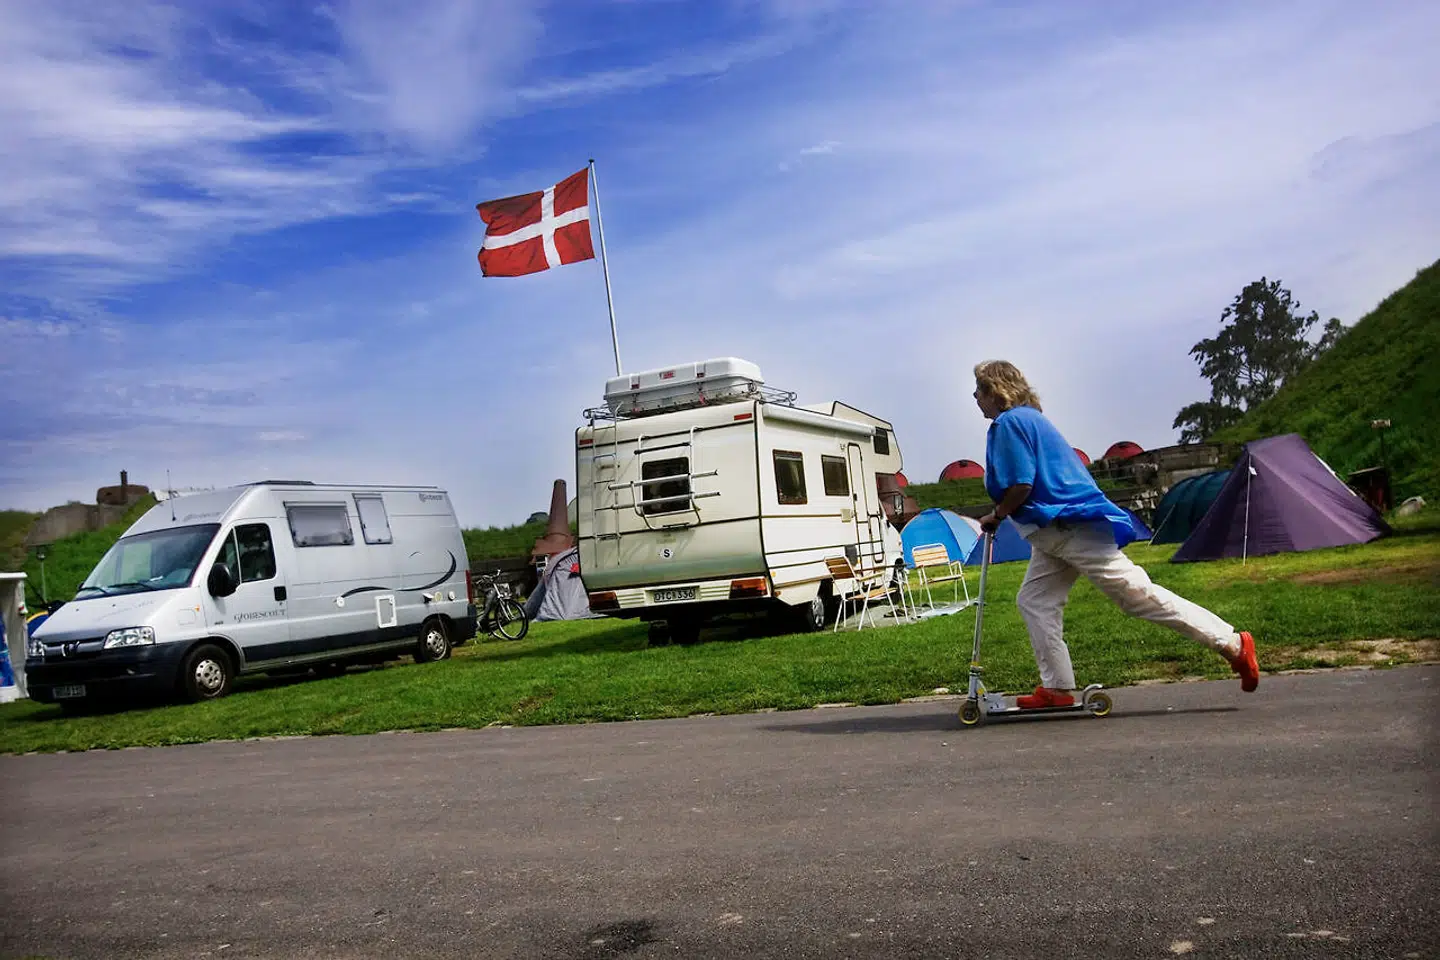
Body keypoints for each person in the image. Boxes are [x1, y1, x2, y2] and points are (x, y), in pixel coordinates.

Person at [972, 360, 1259, 708]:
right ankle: (1057, 689)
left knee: (1135, 595)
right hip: (1057, 531)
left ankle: (1232, 644)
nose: (975, 396)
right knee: (1035, 601)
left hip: (1069, 527)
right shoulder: (1033, 418)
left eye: (979, 389)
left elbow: (1021, 483)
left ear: (995, 392)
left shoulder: (1008, 422)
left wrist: (997, 515)